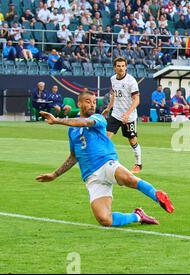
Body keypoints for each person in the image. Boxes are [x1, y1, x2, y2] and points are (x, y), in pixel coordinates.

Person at [36, 92, 174, 227]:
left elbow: (86, 122)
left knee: (128, 179)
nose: (92, 105)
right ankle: (138, 216)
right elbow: (73, 156)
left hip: (106, 164)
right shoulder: (72, 130)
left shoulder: (99, 118)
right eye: (88, 101)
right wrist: (54, 175)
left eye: (94, 102)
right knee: (105, 220)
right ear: (79, 103)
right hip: (91, 177)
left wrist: (57, 120)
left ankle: (158, 195)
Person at [101, 57, 143, 174]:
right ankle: (104, 162)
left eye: (123, 66)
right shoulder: (113, 79)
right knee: (106, 137)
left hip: (129, 117)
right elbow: (114, 94)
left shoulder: (131, 81)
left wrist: (127, 114)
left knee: (132, 140)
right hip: (116, 114)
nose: (121, 68)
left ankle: (138, 164)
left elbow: (137, 100)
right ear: (114, 68)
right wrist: (108, 108)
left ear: (126, 67)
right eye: (118, 66)